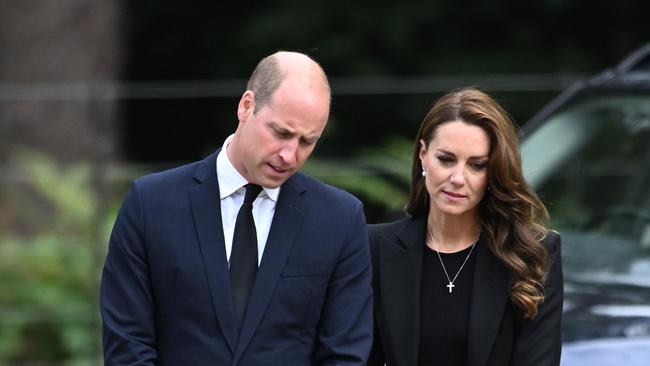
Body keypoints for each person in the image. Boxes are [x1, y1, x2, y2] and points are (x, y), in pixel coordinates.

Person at [100, 51, 373, 365]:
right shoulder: (150, 204)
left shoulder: (340, 219)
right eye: (281, 133)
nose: (289, 155)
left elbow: (344, 355)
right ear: (246, 106)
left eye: (307, 141)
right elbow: (128, 345)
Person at [367, 88, 563, 366]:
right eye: (446, 159)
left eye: (477, 165)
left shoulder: (532, 254)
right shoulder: (374, 248)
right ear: (423, 155)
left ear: (494, 171)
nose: (458, 178)